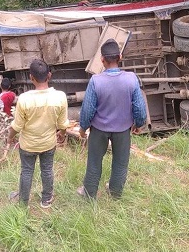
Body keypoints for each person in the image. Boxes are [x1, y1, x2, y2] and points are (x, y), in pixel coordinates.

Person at [78, 39, 148, 199]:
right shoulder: (131, 78)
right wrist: (138, 124)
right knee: (120, 163)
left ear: (102, 60)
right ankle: (115, 194)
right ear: (120, 57)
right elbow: (139, 106)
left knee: (94, 162)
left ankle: (89, 195)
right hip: (123, 130)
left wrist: (83, 127)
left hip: (99, 130)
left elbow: (88, 109)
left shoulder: (96, 80)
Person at [8, 59, 69, 209]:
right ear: (49, 75)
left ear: (31, 78)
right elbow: (62, 124)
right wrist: (61, 134)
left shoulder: (24, 99)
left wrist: (10, 137)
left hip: (28, 145)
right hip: (48, 143)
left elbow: (17, 126)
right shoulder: (60, 97)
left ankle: (23, 203)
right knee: (47, 170)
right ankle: (46, 200)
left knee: (27, 171)